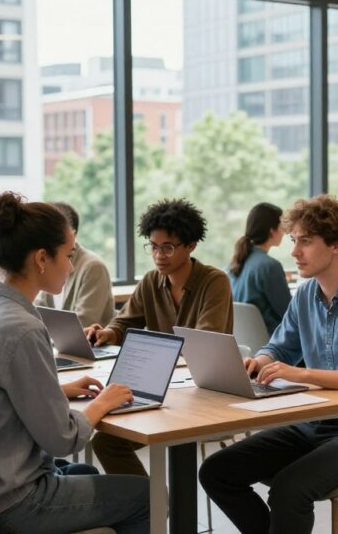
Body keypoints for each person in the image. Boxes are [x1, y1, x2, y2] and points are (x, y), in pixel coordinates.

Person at [0, 192, 149, 533]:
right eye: (67, 255)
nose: (72, 265)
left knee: (88, 475)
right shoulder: (23, 329)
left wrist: (56, 390)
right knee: (150, 496)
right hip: (15, 502)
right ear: (41, 259)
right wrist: (102, 403)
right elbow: (63, 440)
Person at [199, 195, 338, 534]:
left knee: (289, 489)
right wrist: (260, 360)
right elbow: (280, 345)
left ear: (337, 245)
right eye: (294, 241)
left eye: (305, 242)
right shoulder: (307, 293)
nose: (294, 251)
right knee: (215, 471)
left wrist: (300, 373)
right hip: (313, 423)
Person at [87, 198, 233, 476]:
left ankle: (156, 508)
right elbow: (124, 322)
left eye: (168, 247)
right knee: (106, 442)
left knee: (112, 435)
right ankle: (151, 506)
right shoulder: (151, 281)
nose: (158, 255)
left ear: (191, 246)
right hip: (163, 387)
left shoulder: (214, 281)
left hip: (203, 392)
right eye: (153, 246)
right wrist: (106, 333)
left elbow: (205, 342)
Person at [34, 202, 115, 328]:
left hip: (91, 345)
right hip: (59, 344)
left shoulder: (93, 267)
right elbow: (38, 309)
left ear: (72, 234)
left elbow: (84, 322)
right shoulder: (48, 261)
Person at [228, 202, 291, 336]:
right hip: (274, 346)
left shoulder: (234, 264)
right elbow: (290, 314)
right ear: (271, 231)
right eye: (282, 227)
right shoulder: (269, 266)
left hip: (245, 345)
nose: (284, 232)